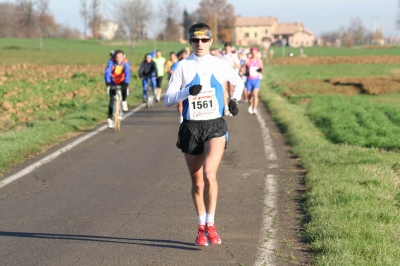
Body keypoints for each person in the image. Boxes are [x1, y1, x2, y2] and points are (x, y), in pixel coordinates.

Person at [164, 23, 244, 246]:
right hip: (191, 128)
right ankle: (201, 227)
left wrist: (234, 100)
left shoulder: (220, 64)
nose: (200, 44)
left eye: (204, 40)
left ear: (210, 41)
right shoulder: (182, 66)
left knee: (210, 175)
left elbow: (238, 83)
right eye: (195, 40)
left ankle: (211, 224)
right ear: (190, 42)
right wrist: (187, 91)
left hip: (215, 126)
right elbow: (168, 98)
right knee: (198, 183)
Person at [104, 50, 131, 128]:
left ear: (123, 57)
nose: (118, 59)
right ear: (114, 57)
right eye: (116, 57)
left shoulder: (125, 62)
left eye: (120, 57)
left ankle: (124, 101)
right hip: (113, 81)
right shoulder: (111, 62)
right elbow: (107, 72)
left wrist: (126, 83)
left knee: (124, 89)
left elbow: (127, 73)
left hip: (122, 81)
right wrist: (108, 83)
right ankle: (109, 118)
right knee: (112, 100)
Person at [240, 47, 263, 115]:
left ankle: (255, 109)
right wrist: (245, 73)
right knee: (249, 95)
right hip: (249, 80)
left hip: (256, 80)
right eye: (253, 53)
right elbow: (242, 68)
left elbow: (262, 68)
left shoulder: (259, 61)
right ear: (251, 53)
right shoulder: (247, 60)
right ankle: (250, 106)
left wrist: (260, 70)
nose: (254, 54)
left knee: (255, 95)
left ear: (257, 53)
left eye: (255, 53)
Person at [222, 42, 241, 116]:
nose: (227, 48)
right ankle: (226, 108)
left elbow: (238, 65)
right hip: (224, 76)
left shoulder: (233, 56)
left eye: (229, 47)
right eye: (226, 47)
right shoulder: (222, 56)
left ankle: (232, 107)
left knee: (230, 92)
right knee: (224, 91)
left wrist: (231, 66)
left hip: (231, 76)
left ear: (230, 48)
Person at [171, 49, 189, 124]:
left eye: (185, 54)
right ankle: (182, 116)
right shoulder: (177, 63)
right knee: (180, 103)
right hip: (179, 84)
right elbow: (172, 70)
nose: (184, 55)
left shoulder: (191, 62)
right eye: (183, 54)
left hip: (188, 84)